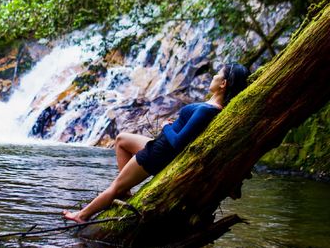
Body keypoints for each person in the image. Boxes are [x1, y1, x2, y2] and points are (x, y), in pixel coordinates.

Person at [62, 63, 250, 223]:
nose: (214, 76)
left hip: (160, 152)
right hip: (161, 145)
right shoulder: (216, 108)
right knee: (121, 139)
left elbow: (178, 142)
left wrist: (166, 127)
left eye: (218, 74)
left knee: (115, 187)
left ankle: (82, 215)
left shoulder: (206, 110)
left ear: (223, 84)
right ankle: (126, 191)